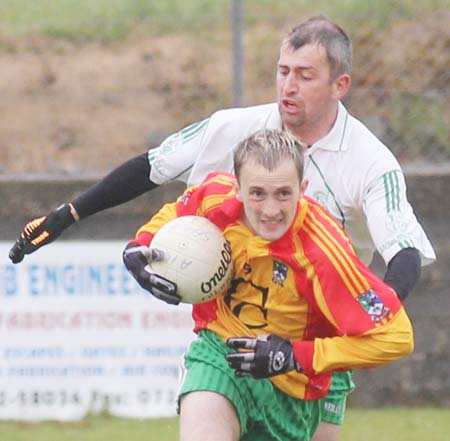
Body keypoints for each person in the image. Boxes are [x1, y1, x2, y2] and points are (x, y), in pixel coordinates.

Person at [9, 15, 435, 441]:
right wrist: (70, 215)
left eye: (305, 76)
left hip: (316, 334)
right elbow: (154, 167)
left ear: (340, 85)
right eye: (283, 71)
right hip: (232, 326)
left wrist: (368, 313)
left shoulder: (371, 162)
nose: (288, 86)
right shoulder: (235, 129)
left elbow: (403, 251)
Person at [122, 129, 414, 441]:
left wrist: (293, 355)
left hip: (294, 385)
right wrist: (141, 244)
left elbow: (396, 337)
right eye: (258, 193)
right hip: (220, 353)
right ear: (237, 188)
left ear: (303, 189)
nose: (271, 210)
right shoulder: (216, 197)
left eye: (283, 194)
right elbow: (178, 212)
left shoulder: (323, 253)